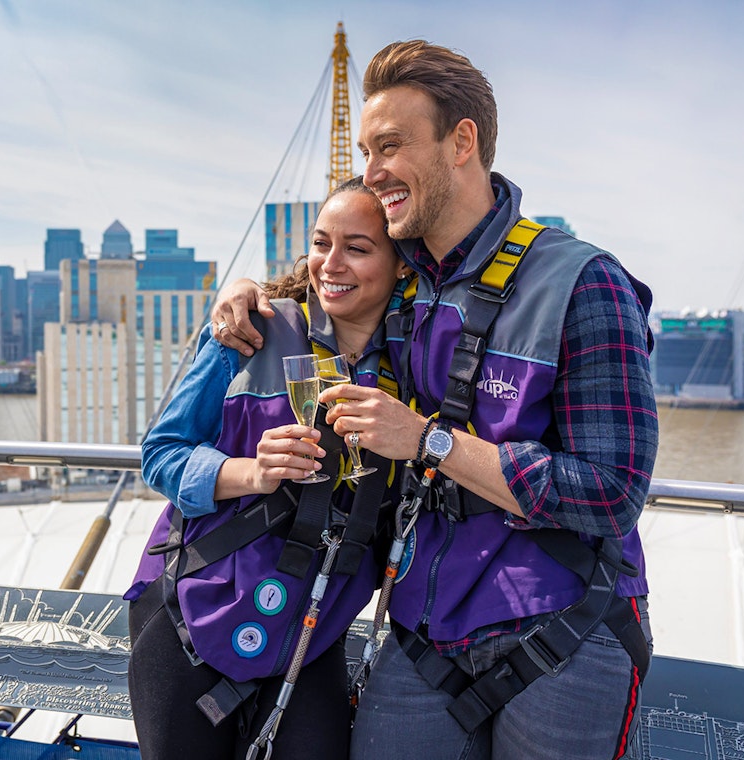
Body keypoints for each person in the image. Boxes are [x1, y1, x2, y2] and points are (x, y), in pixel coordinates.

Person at [211, 40, 656, 760]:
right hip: (426, 628)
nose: (372, 170)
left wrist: (429, 442)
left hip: (562, 624)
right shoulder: (410, 283)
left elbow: (611, 494)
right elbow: (329, 285)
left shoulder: (582, 283)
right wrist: (248, 293)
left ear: (462, 141)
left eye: (391, 145)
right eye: (365, 150)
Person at [126, 178, 411, 760]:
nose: (331, 264)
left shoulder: (419, 363)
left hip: (310, 631)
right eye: (321, 243)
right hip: (189, 609)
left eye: (357, 248)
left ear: (402, 265)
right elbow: (162, 453)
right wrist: (251, 472)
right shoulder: (250, 332)